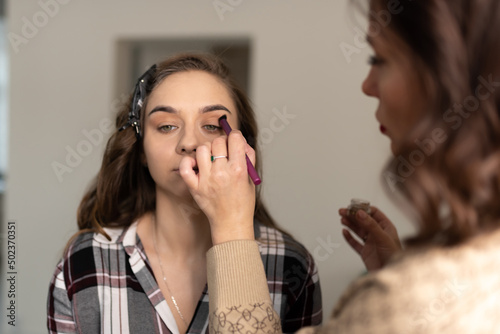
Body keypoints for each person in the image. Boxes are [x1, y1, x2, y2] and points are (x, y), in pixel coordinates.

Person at [177, 0, 500, 333]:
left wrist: (231, 225)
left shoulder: (295, 263)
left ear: (442, 74)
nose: (367, 85)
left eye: (380, 59)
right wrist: (397, 270)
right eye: (167, 125)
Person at [46, 53, 322, 334]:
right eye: (166, 126)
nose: (189, 143)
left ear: (243, 147)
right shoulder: (86, 263)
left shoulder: (292, 265)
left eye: (213, 126)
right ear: (141, 150)